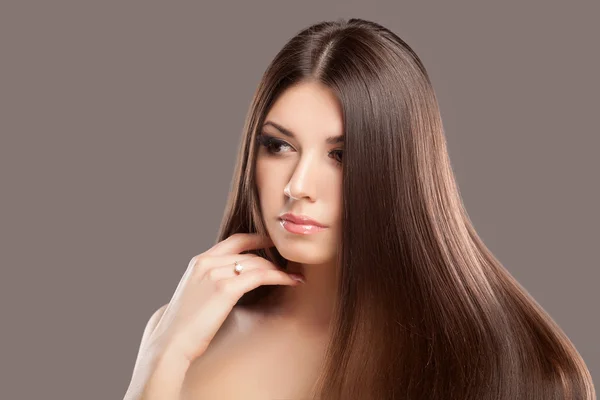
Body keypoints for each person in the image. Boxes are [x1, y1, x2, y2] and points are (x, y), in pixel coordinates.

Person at [123, 18, 596, 400]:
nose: (298, 186)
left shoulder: (516, 371)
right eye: (279, 146)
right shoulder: (181, 333)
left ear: (401, 171)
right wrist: (163, 358)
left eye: (340, 156)